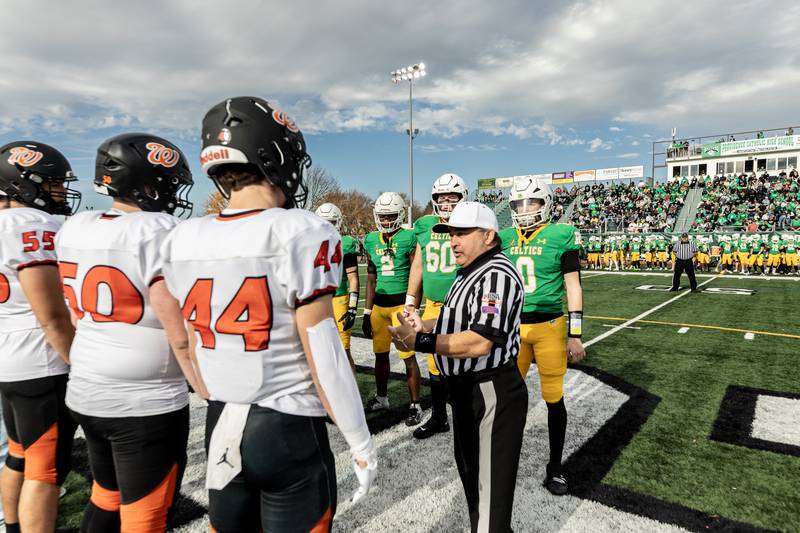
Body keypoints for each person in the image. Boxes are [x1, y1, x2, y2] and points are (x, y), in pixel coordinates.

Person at [160, 97, 376, 532]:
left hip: (221, 419)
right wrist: (359, 439)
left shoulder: (182, 237)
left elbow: (181, 337)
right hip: (286, 428)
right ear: (274, 156)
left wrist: (217, 391)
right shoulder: (300, 229)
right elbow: (322, 349)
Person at [55, 133, 205, 532]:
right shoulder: (160, 229)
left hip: (87, 386)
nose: (174, 191)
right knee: (147, 515)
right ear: (148, 181)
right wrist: (207, 388)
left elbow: (72, 314)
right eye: (170, 181)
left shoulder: (75, 226)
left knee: (106, 497)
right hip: (144, 400)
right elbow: (179, 334)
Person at [389, 201, 527, 532]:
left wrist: (418, 342)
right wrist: (423, 325)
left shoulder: (495, 274)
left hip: (490, 389)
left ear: (489, 235)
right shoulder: (471, 272)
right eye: (451, 233)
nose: (453, 241)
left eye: (462, 233)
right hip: (467, 390)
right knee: (472, 478)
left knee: (488, 494)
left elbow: (481, 341)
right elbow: (455, 321)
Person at [0, 141, 80, 533]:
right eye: (53, 183)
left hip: (10, 357)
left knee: (19, 454)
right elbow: (51, 316)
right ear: (25, 183)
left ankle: (13, 527)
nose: (61, 191)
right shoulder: (31, 224)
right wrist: (78, 364)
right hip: (40, 360)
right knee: (46, 469)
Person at [500, 176, 587, 495]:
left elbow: (573, 286)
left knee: (553, 397)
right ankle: (503, 457)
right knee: (508, 396)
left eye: (531, 202)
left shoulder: (561, 234)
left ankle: (555, 466)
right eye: (518, 204)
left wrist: (574, 334)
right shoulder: (505, 237)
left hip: (550, 326)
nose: (524, 210)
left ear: (546, 204)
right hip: (512, 327)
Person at [405, 173, 468, 439]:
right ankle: (440, 417)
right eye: (442, 198)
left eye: (452, 198)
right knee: (433, 364)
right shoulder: (424, 225)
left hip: (461, 305)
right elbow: (418, 264)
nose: (446, 203)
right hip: (432, 305)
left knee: (463, 360)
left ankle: (467, 416)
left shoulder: (470, 224)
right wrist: (410, 301)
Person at [362, 192, 421, 425]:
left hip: (399, 306)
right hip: (378, 308)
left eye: (391, 216)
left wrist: (412, 306)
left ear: (400, 215)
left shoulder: (410, 237)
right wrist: (366, 313)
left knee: (408, 357)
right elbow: (371, 279)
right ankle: (382, 397)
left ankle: (415, 404)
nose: (386, 221)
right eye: (383, 217)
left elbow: (418, 273)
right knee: (380, 356)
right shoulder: (371, 239)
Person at [315, 202, 360, 371]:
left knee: (343, 351)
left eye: (331, 222)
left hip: (339, 299)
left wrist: (353, 308)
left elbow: (353, 278)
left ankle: (352, 395)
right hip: (318, 300)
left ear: (338, 222)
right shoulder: (310, 243)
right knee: (319, 351)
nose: (327, 226)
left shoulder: (345, 243)